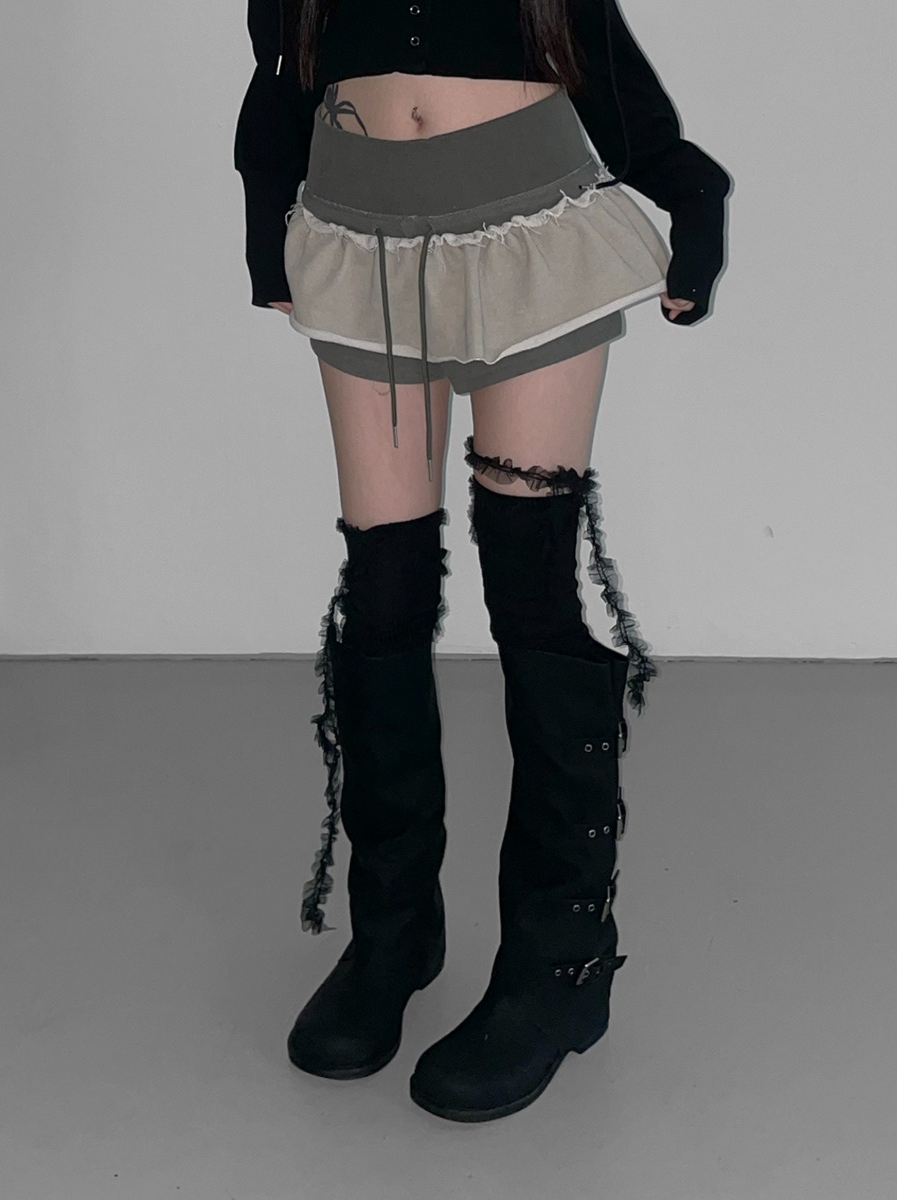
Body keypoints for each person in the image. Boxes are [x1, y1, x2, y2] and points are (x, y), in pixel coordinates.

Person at [233, 0, 730, 1123]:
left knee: (531, 588)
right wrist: (266, 225)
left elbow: (600, 55)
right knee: (384, 593)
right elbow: (280, 72)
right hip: (357, 236)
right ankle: (394, 933)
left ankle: (560, 963)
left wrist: (693, 201)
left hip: (529, 234)